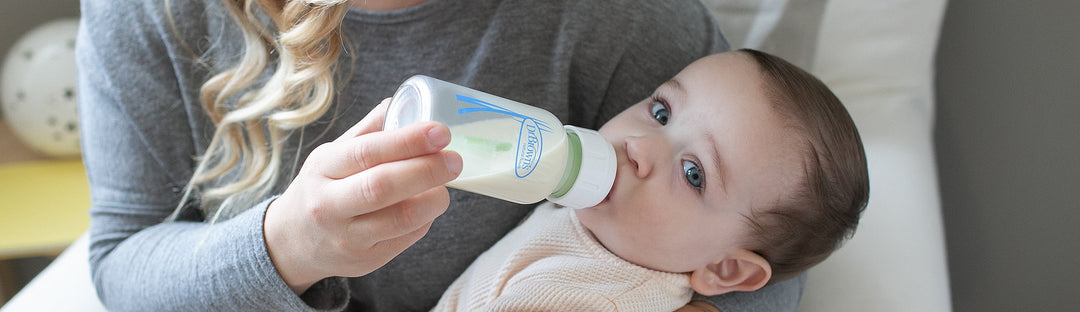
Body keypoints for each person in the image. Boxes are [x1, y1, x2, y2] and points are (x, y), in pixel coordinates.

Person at [77, 0, 803, 310]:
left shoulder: (615, 19)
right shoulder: (150, 14)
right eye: (658, 110)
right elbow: (121, 264)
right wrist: (289, 244)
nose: (645, 145)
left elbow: (770, 248)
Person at [433, 50, 869, 311]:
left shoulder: (592, 301)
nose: (640, 145)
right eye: (661, 112)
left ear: (724, 268)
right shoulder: (608, 231)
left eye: (693, 173)